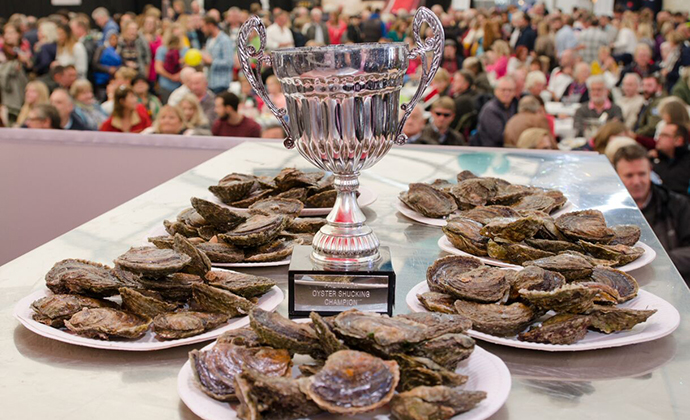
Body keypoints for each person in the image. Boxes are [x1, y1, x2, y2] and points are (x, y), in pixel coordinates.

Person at [613, 144, 690, 283]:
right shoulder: (609, 210)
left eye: (642, 174)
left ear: (650, 171)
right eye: (629, 175)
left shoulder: (677, 204)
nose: (637, 181)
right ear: (616, 176)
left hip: (672, 281)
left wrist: (658, 260)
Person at [473, 76, 518, 147]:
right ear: (496, 91)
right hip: (491, 151)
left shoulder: (515, 106)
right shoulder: (490, 110)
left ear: (514, 92)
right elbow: (499, 136)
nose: (507, 93)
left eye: (510, 90)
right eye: (503, 90)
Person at [651, 123, 690, 196]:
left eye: (664, 135)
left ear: (678, 140)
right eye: (659, 135)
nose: (658, 139)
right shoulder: (657, 163)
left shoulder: (687, 165)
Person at [201, 16, 233, 94]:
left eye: (203, 27)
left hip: (221, 84)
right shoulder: (209, 40)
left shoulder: (225, 40)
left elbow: (229, 63)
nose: (202, 30)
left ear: (210, 26)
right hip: (210, 82)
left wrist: (211, 61)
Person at [92, 30, 122, 99]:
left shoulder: (119, 50)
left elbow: (122, 63)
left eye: (115, 39)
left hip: (113, 78)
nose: (113, 41)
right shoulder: (101, 49)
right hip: (101, 79)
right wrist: (108, 69)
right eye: (111, 39)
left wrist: (115, 69)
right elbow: (95, 63)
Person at [634, 75, 666, 139]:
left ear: (659, 87)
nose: (645, 89)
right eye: (644, 85)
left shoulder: (659, 102)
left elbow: (652, 127)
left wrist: (635, 134)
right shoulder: (650, 100)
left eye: (649, 85)